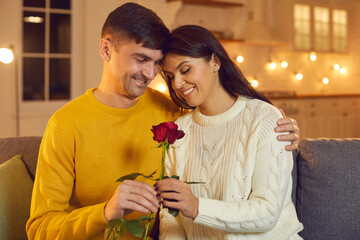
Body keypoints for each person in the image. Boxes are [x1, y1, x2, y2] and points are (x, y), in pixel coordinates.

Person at [26, 3, 300, 240]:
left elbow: (228, 129)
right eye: (141, 59)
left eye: (157, 64)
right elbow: (39, 229)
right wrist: (105, 211)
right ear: (106, 49)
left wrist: (287, 131)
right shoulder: (65, 125)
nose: (149, 74)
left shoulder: (172, 117)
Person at [156, 25, 304, 239]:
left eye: (185, 69)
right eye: (170, 76)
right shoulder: (178, 132)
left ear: (215, 61)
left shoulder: (264, 119)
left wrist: (197, 207)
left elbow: (267, 212)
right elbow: (171, 216)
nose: (177, 83)